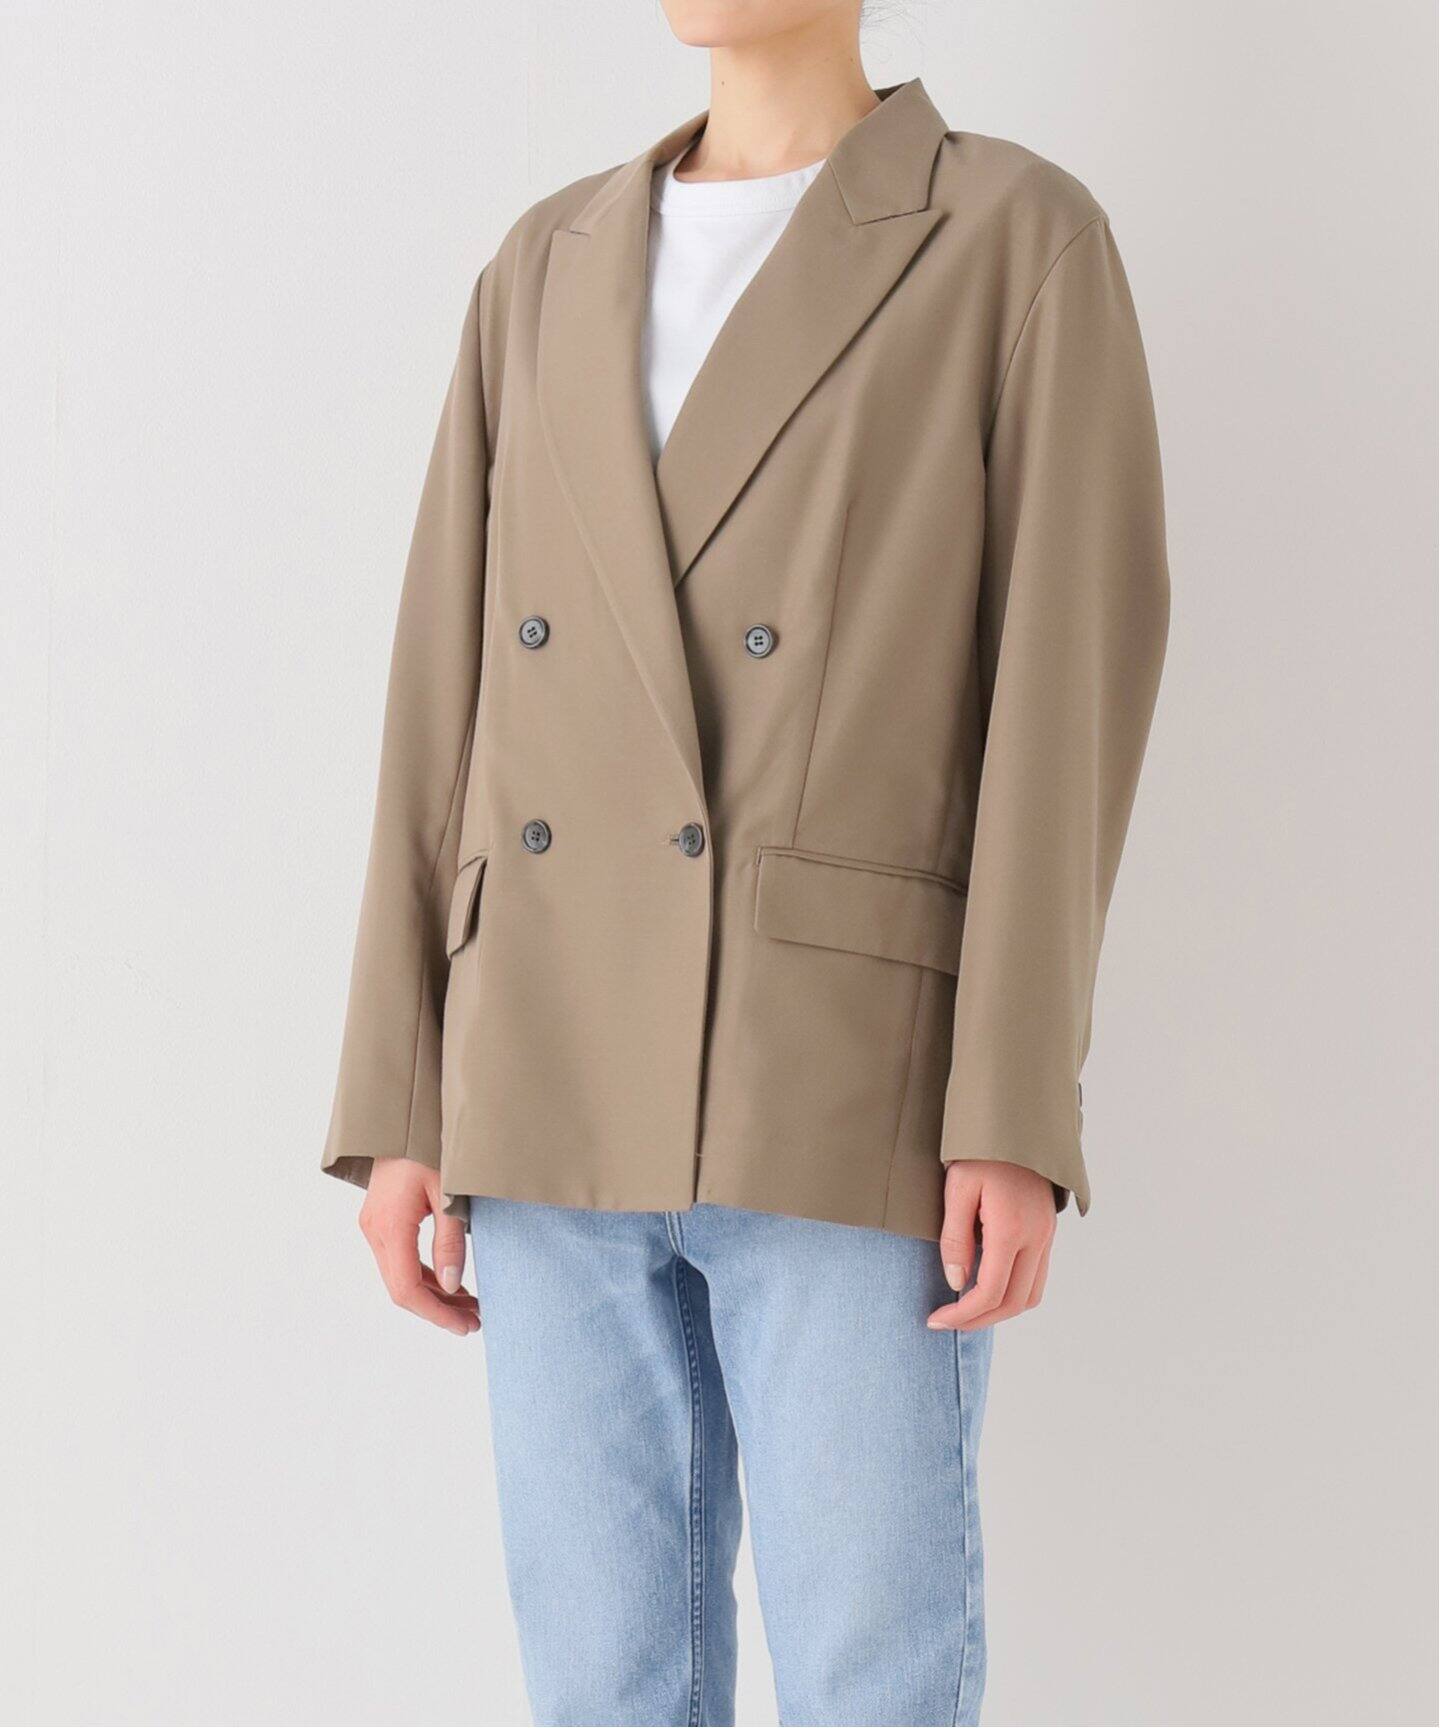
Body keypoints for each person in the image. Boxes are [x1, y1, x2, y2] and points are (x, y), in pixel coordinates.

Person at [323, 2, 1169, 1721]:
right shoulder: (544, 262)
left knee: (874, 1677)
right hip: (547, 1065)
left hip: (840, 1078)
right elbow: (447, 689)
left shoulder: (1013, 236)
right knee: (601, 1686)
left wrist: (1013, 1103)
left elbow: (1065, 692)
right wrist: (403, 1094)